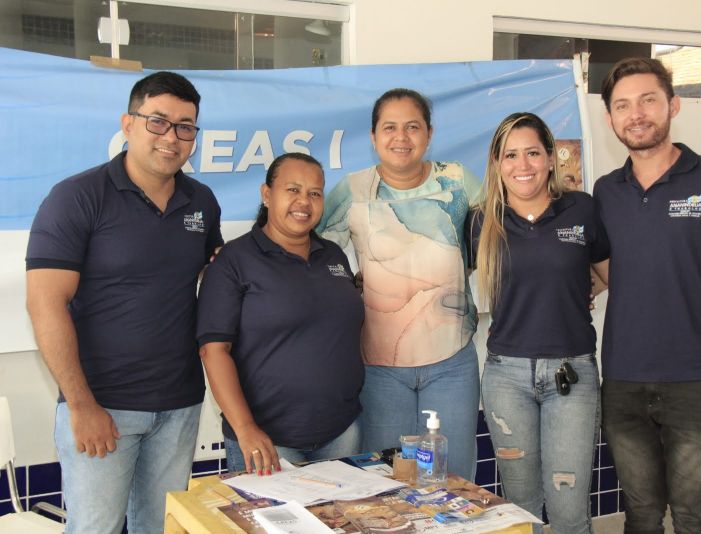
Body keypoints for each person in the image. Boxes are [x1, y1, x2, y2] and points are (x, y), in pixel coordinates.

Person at [25, 71, 222, 533]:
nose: (171, 137)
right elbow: (45, 304)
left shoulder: (202, 202)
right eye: (158, 121)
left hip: (179, 405)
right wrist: (81, 404)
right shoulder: (76, 197)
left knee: (160, 528)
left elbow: (211, 279)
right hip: (102, 408)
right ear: (128, 124)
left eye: (185, 126)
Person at [593, 57, 701, 534]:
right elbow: (615, 270)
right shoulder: (605, 192)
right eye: (623, 105)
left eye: (648, 100)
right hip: (624, 382)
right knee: (641, 517)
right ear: (610, 118)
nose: (637, 114)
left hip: (697, 381)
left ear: (672, 105)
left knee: (695, 518)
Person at [318, 88, 481, 481]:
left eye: (412, 126)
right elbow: (310, 252)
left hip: (452, 362)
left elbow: (505, 239)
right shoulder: (353, 190)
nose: (401, 137)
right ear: (373, 137)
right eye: (389, 127)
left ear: (428, 134)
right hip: (379, 367)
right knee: (387, 482)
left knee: (454, 482)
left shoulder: (458, 181)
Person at [468, 112, 607, 533]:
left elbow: (607, 274)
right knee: (521, 507)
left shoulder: (580, 208)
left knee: (568, 510)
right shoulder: (480, 220)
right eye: (510, 155)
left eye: (532, 152)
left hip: (573, 373)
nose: (522, 165)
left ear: (550, 158)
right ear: (496, 164)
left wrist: (576, 293)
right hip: (506, 377)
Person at [197, 153, 364, 475]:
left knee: (337, 525)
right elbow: (213, 351)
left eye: (315, 193)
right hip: (267, 442)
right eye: (293, 190)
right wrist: (245, 429)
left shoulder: (332, 255)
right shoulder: (234, 260)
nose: (304, 201)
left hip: (342, 432)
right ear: (266, 194)